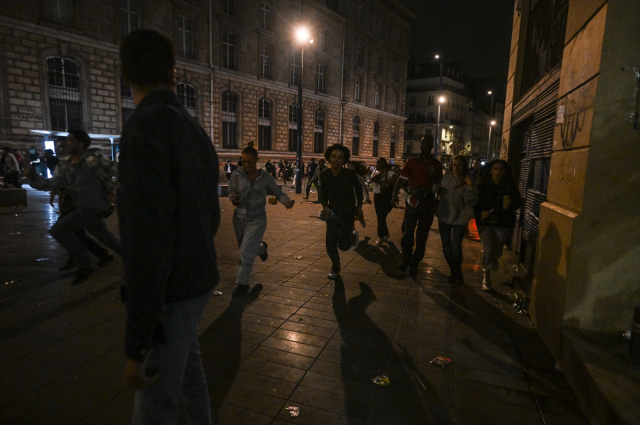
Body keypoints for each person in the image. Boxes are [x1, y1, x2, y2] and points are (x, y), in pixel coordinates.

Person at [118, 29, 220, 425]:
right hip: (196, 279)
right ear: (173, 73)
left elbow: (145, 240)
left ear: (124, 75)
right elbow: (210, 214)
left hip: (171, 289)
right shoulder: (192, 128)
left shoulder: (144, 129)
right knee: (190, 378)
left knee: (154, 404)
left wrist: (136, 344)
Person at [23, 129, 121, 284]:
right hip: (82, 208)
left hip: (96, 208)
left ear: (80, 144)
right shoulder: (65, 164)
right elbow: (51, 184)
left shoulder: (93, 160)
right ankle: (137, 260)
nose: (66, 143)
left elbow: (122, 171)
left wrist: (114, 192)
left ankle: (85, 263)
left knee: (58, 229)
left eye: (70, 140)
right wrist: (33, 176)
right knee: (105, 237)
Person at [229, 147, 294, 297]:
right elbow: (231, 190)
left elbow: (278, 192)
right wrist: (233, 199)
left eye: (250, 161)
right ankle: (261, 248)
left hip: (257, 219)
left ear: (257, 160)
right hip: (239, 217)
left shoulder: (265, 178)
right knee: (245, 249)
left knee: (245, 251)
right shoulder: (237, 174)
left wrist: (286, 201)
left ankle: (242, 284)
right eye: (244, 161)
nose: (247, 165)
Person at [391, 136, 443, 279]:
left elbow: (440, 185)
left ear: (432, 145)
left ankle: (415, 262)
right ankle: (406, 259)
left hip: (428, 205)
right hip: (413, 204)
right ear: (420, 145)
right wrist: (394, 195)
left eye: (428, 143)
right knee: (407, 233)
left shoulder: (436, 165)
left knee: (422, 236)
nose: (425, 145)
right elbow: (401, 180)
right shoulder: (412, 162)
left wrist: (437, 193)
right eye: (423, 143)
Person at [473, 159, 522, 291]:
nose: (498, 172)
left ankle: (495, 259)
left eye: (501, 169)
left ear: (505, 171)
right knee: (488, 249)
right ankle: (486, 277)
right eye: (495, 169)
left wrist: (511, 203)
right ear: (490, 171)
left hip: (502, 221)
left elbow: (518, 202)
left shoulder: (509, 186)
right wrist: (481, 212)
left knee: (498, 250)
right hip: (485, 222)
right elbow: (475, 203)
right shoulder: (483, 185)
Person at [320, 144, 363, 280]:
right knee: (330, 244)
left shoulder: (350, 175)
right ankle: (335, 267)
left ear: (344, 160)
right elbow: (322, 193)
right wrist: (325, 206)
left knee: (343, 246)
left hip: (347, 212)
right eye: (333, 156)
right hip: (332, 212)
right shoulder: (324, 174)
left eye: (340, 158)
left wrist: (359, 207)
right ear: (329, 157)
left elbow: (358, 190)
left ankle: (352, 237)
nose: (336, 160)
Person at [436, 155, 479, 284]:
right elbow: (441, 193)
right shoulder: (447, 177)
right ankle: (454, 271)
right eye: (454, 164)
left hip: (460, 217)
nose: (456, 167)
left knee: (455, 246)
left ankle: (457, 271)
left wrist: (470, 186)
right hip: (444, 215)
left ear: (464, 166)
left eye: (459, 164)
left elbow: (472, 200)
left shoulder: (467, 180)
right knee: (446, 246)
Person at [370, 157, 397, 246]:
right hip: (377, 197)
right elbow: (372, 179)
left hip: (386, 198)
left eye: (381, 162)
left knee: (381, 217)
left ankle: (380, 236)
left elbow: (395, 179)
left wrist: (387, 182)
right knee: (380, 217)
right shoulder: (375, 172)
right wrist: (382, 172)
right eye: (378, 162)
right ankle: (385, 234)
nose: (379, 164)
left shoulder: (389, 172)